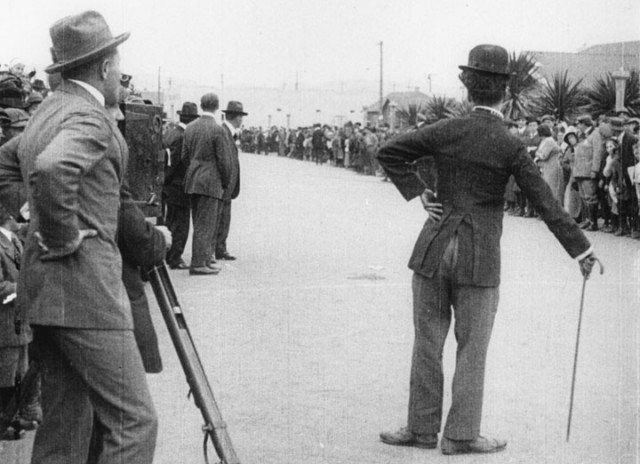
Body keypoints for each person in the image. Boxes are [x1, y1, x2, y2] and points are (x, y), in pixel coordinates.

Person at [376, 44, 597, 456]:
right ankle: (460, 436)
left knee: (427, 341)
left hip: (434, 246)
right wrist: (581, 251)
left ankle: (421, 429)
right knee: (472, 348)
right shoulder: (510, 143)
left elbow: (389, 152)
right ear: (503, 91)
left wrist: (419, 191)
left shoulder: (447, 129)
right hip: (479, 256)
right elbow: (546, 203)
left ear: (468, 87)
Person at [16, 11, 157, 463]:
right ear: (103, 67)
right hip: (88, 295)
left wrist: (34, 216)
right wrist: (60, 236)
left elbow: (9, 164)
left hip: (43, 296)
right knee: (135, 422)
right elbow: (53, 169)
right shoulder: (91, 118)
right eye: (118, 64)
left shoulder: (47, 111)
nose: (120, 73)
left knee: (64, 424)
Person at [183, 92, 231, 275]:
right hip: (211, 182)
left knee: (198, 221)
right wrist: (225, 182)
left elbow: (185, 157)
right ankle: (198, 264)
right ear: (217, 106)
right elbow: (224, 161)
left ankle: (203, 259)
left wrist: (194, 171)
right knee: (207, 224)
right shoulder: (218, 130)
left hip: (193, 180)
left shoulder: (190, 128)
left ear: (201, 105)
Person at [163, 101, 199, 269]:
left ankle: (167, 254)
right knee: (181, 225)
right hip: (179, 186)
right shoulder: (183, 137)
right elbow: (176, 163)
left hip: (171, 186)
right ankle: (175, 258)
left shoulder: (171, 133)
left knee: (170, 221)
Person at [215, 101, 246, 261]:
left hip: (227, 184)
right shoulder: (224, 132)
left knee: (224, 217)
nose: (242, 120)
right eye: (241, 116)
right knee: (221, 217)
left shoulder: (227, 131)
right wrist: (227, 182)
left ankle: (220, 247)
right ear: (237, 117)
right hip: (224, 184)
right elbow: (224, 160)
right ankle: (219, 248)